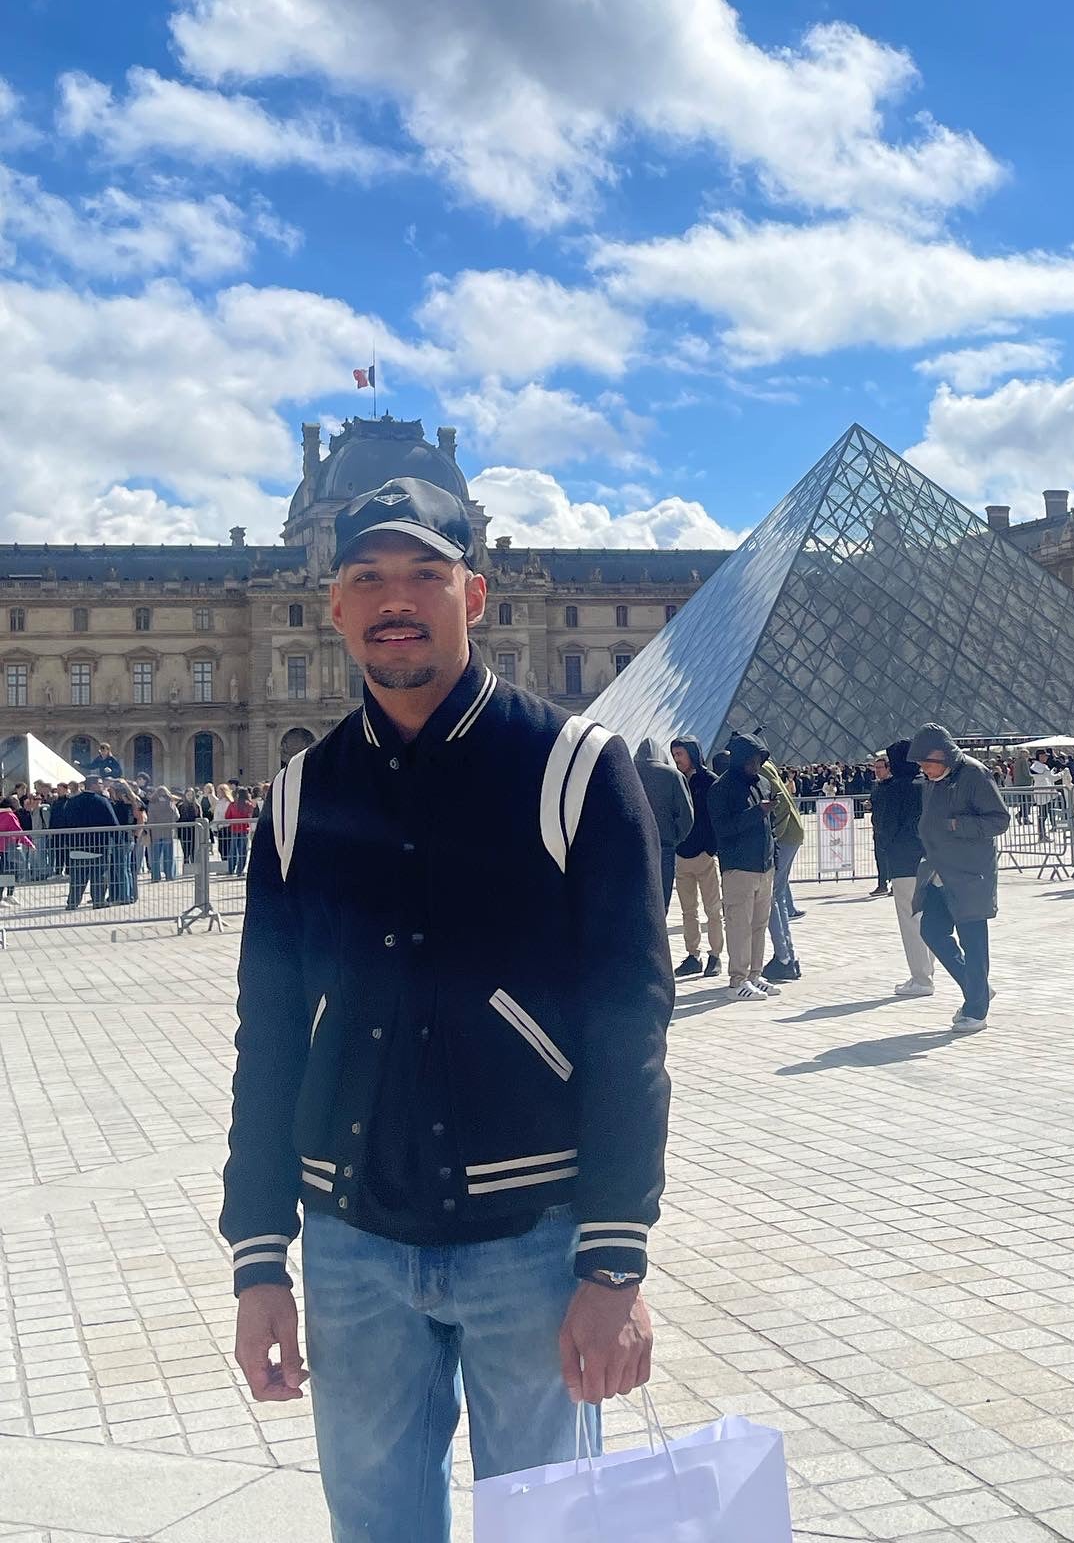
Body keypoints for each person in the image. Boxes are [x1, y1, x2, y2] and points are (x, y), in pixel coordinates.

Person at [221, 476, 672, 1543]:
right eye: (368, 576)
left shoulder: (577, 770)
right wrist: (258, 1256)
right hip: (350, 1245)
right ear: (333, 604)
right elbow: (270, 1037)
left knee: (548, 1533)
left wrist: (615, 1258)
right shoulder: (298, 795)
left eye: (425, 573)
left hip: (536, 1240)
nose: (396, 598)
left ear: (476, 593)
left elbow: (630, 1027)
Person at [907, 724, 1010, 1035]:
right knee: (932, 930)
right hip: (939, 871)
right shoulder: (933, 780)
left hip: (970, 872)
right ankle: (977, 987)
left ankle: (976, 1010)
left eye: (927, 763)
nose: (924, 769)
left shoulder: (974, 774)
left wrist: (956, 825)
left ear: (944, 755)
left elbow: (1000, 820)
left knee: (973, 942)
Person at [708, 733, 779, 1000]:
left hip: (764, 866)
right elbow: (724, 829)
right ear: (738, 760)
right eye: (751, 760)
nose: (756, 765)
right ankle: (737, 981)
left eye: (759, 759)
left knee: (759, 925)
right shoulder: (721, 788)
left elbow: (770, 826)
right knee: (739, 925)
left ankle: (754, 975)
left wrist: (774, 857)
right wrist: (757, 811)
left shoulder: (763, 783)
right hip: (739, 867)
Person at [870, 741, 929, 996]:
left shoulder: (893, 789)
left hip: (903, 861)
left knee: (910, 919)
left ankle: (921, 978)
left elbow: (884, 825)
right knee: (928, 916)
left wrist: (886, 849)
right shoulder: (928, 784)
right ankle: (928, 969)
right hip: (931, 858)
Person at [669, 738, 725, 978]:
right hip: (682, 855)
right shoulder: (676, 780)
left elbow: (716, 818)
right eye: (674, 755)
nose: (676, 759)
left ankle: (715, 955)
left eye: (680, 754)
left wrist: (710, 849)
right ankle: (693, 955)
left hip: (704, 855)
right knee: (688, 911)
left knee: (713, 909)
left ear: (692, 753)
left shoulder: (709, 780)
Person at [631, 738, 693, 911]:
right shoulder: (673, 775)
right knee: (660, 902)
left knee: (635, 901)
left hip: (632, 848)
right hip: (664, 846)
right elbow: (687, 816)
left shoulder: (627, 772)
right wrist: (675, 838)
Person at [759, 757, 805, 982]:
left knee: (770, 898)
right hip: (793, 834)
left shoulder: (759, 768)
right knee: (777, 896)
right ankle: (788, 957)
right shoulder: (767, 765)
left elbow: (781, 805)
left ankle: (784, 957)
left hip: (784, 837)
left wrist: (772, 837)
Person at [63, 776, 118, 908]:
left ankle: (72, 903)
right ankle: (98, 901)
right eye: (100, 783)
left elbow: (64, 821)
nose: (102, 786)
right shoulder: (102, 801)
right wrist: (116, 839)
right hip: (98, 846)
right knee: (99, 876)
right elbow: (113, 823)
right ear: (92, 785)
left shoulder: (72, 802)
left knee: (77, 878)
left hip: (76, 846)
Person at [868, 751, 892, 898]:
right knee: (880, 858)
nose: (876, 771)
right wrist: (869, 805)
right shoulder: (876, 785)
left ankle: (894, 884)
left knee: (892, 857)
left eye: (879, 768)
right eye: (875, 768)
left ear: (888, 768)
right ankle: (882, 884)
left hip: (890, 828)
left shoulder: (893, 786)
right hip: (878, 827)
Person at [146, 786, 181, 880]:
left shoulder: (152, 803)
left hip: (156, 832)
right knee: (168, 856)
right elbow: (177, 816)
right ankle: (169, 875)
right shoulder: (170, 803)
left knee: (156, 857)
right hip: (168, 831)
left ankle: (156, 876)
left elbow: (150, 819)